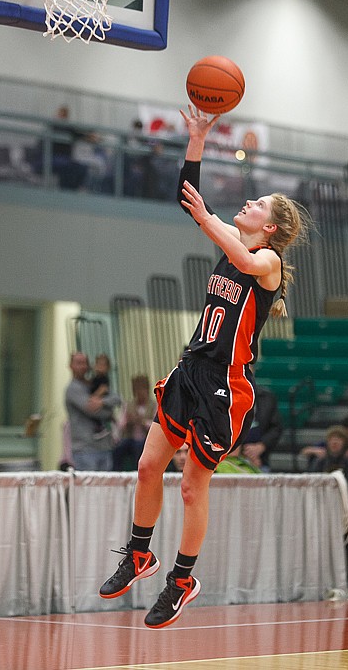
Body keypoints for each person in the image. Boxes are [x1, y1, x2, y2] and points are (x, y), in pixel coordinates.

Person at [99, 105, 310, 628]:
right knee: (148, 467)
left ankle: (182, 580)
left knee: (193, 485)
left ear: (273, 226)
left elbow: (243, 258)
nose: (247, 202)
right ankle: (139, 554)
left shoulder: (268, 263)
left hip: (226, 386)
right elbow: (187, 197)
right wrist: (196, 139)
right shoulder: (231, 245)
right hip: (190, 370)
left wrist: (209, 220)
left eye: (257, 203)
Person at [65, 352, 121, 471]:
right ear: (71, 366)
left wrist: (102, 402)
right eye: (78, 363)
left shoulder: (95, 383)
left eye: (85, 363)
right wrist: (109, 411)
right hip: (84, 450)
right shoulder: (73, 389)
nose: (83, 366)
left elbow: (117, 398)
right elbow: (93, 411)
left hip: (105, 447)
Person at [112, 374, 155, 471]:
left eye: (142, 389)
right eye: (137, 390)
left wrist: (143, 422)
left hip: (147, 440)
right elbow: (120, 425)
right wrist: (128, 421)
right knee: (119, 448)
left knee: (139, 446)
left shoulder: (153, 405)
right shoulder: (128, 405)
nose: (140, 393)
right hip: (131, 438)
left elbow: (156, 425)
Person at [240, 383, 283, 472]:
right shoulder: (224, 395)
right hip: (230, 459)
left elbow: (276, 428)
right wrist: (242, 453)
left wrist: (261, 446)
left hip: (260, 460)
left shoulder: (266, 397)